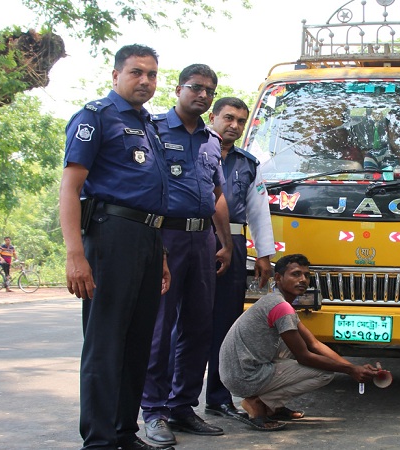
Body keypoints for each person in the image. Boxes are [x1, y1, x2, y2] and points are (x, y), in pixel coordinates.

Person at [59, 44, 173, 450]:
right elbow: (71, 188)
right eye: (136, 72)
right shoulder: (96, 117)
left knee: (138, 340)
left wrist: (159, 255)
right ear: (115, 76)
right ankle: (100, 439)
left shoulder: (150, 125)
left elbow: (149, 197)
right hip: (110, 237)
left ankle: (125, 431)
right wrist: (76, 254)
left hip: (147, 238)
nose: (145, 81)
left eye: (152, 74)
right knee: (106, 341)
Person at [140, 65, 233, 447]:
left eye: (210, 91)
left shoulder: (211, 140)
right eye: (196, 88)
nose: (203, 95)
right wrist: (154, 242)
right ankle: (154, 411)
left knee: (199, 326)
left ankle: (182, 406)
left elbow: (217, 195)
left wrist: (224, 242)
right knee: (160, 328)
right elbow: (144, 188)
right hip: (167, 237)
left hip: (202, 241)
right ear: (178, 89)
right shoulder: (155, 129)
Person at [219, 253, 379, 431]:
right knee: (324, 373)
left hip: (239, 371)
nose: (303, 279)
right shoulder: (281, 307)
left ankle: (275, 408)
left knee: (294, 341)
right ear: (278, 278)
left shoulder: (279, 303)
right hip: (243, 376)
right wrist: (350, 369)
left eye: (306, 275)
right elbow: (304, 356)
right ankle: (258, 403)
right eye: (295, 274)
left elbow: (314, 344)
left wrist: (356, 369)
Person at [203, 97, 276, 421]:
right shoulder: (194, 149)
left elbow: (259, 212)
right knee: (184, 325)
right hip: (192, 236)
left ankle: (218, 399)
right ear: (213, 117)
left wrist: (264, 254)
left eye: (240, 121)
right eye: (228, 118)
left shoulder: (248, 163)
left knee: (225, 326)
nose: (233, 125)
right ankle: (174, 402)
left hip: (233, 241)